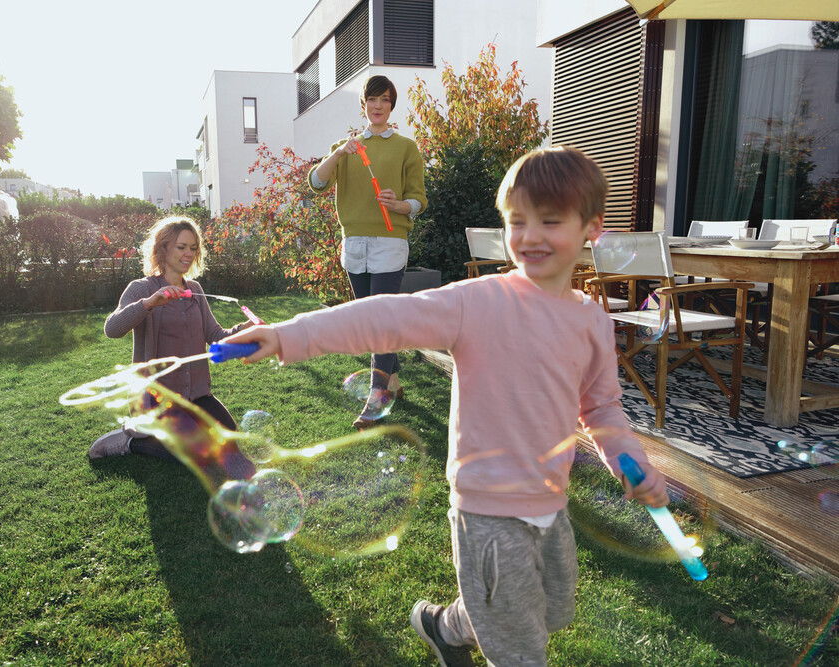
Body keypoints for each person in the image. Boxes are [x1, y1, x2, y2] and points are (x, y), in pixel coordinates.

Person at [225, 146, 670, 666]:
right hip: (487, 510)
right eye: (517, 220)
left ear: (591, 228)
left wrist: (631, 463)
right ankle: (476, 624)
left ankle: (448, 626)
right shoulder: (477, 303)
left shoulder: (592, 322)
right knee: (522, 647)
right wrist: (286, 336)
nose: (530, 235)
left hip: (550, 502)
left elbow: (603, 411)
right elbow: (384, 317)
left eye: (550, 221)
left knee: (551, 611)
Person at [88, 216, 255, 476]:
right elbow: (112, 329)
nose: (189, 254)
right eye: (181, 247)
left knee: (229, 440)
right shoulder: (141, 288)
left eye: (193, 248)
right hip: (157, 398)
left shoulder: (195, 289)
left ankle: (159, 434)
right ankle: (131, 441)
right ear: (163, 248)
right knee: (196, 455)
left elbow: (215, 335)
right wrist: (149, 304)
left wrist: (242, 330)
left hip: (197, 395)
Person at [308, 74, 427, 428]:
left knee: (377, 323)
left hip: (390, 243)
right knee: (372, 322)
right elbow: (316, 183)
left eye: (385, 100)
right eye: (372, 100)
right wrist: (337, 153)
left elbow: (419, 200)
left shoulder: (406, 147)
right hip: (353, 243)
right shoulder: (347, 148)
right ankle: (392, 380)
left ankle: (374, 404)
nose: (378, 106)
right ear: (363, 106)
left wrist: (399, 205)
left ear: (391, 106)